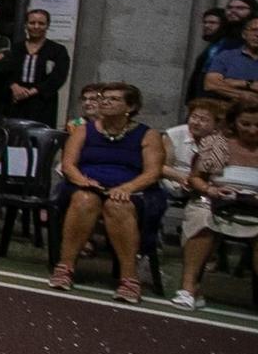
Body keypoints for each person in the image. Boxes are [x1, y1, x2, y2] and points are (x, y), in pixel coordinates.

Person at [51, 82, 166, 302]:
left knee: (118, 205)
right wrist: (82, 181)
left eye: (113, 99)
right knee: (84, 200)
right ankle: (65, 267)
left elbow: (153, 173)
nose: (104, 102)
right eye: (103, 97)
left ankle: (129, 278)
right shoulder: (83, 130)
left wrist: (127, 188)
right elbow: (68, 165)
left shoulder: (148, 135)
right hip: (88, 185)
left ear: (130, 107)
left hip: (131, 190)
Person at [174, 100, 258, 310]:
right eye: (245, 124)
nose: (252, 130)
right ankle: (189, 289)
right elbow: (196, 179)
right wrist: (212, 190)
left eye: (257, 125)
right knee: (201, 218)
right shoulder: (217, 143)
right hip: (215, 202)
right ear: (234, 122)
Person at [5, 7, 70, 127]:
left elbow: (59, 76)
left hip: (42, 102)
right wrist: (13, 86)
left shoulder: (57, 50)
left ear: (47, 25)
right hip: (15, 101)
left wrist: (33, 91)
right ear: (26, 24)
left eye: (41, 23)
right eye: (32, 23)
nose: (36, 26)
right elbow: (5, 71)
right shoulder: (15, 49)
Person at [162, 96, 229, 205]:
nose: (196, 122)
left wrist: (196, 183)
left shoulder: (222, 141)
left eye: (203, 120)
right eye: (194, 117)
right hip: (174, 181)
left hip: (206, 186)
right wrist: (183, 178)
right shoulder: (174, 134)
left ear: (217, 124)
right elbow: (161, 166)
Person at [204, 14, 258, 100]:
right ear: (244, 34)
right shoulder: (226, 56)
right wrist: (248, 85)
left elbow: (217, 84)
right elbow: (210, 85)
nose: (257, 35)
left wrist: (232, 82)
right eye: (254, 30)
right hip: (226, 110)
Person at [185, 8, 227, 102]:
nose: (206, 25)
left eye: (212, 23)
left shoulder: (225, 47)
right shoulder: (213, 46)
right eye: (205, 22)